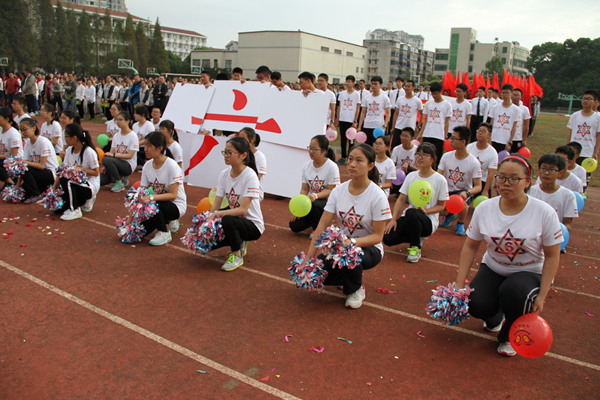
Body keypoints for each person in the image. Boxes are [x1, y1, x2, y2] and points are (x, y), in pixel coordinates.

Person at [454, 155, 562, 357]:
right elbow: (470, 246)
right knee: (476, 304)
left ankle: (509, 335)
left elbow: (552, 256)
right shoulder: (485, 208)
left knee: (515, 293)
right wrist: (460, 284)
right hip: (494, 267)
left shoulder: (544, 212)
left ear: (528, 181)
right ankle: (495, 318)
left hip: (529, 271)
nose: (506, 183)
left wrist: (543, 294)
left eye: (514, 178)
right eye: (501, 177)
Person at [299, 144, 391, 308]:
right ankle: (348, 275)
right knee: (316, 275)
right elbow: (322, 226)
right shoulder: (338, 191)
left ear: (370, 166)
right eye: (350, 159)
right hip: (342, 246)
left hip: (370, 249)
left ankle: (355, 289)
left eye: (358, 160)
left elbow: (378, 236)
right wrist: (309, 258)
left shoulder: (378, 195)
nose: (352, 164)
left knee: (349, 252)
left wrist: (353, 243)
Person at [384, 142, 449, 262]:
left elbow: (441, 206)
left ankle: (415, 247)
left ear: (433, 159)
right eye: (418, 154)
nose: (419, 157)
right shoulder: (411, 176)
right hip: (410, 217)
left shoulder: (440, 180)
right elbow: (401, 199)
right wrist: (393, 219)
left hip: (428, 220)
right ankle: (416, 235)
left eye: (424, 155)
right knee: (388, 238)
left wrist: (426, 210)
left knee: (412, 213)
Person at [207, 137, 264, 271]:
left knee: (227, 219)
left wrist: (216, 214)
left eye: (229, 152)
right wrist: (206, 223)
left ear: (243, 155)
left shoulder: (250, 176)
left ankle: (237, 256)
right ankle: (239, 240)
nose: (225, 156)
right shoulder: (224, 175)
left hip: (252, 225)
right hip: (236, 221)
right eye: (224, 152)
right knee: (207, 244)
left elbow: (243, 210)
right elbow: (217, 203)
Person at [129, 131, 187, 245]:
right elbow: (141, 192)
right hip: (156, 204)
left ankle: (164, 232)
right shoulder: (147, 166)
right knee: (137, 233)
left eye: (149, 146)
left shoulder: (172, 166)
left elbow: (173, 195)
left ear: (160, 148)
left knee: (152, 202)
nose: (145, 149)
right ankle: (164, 220)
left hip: (175, 205)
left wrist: (150, 197)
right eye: (145, 145)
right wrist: (131, 217)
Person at [289, 135, 340, 236]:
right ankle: (315, 220)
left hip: (326, 201)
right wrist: (298, 210)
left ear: (324, 151)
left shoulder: (332, 167)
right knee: (294, 226)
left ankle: (318, 230)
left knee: (314, 204)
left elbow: (332, 190)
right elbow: (304, 189)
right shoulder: (306, 166)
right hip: (311, 202)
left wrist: (316, 195)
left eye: (314, 149)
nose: (311, 151)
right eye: (310, 148)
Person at [438, 126, 482, 235]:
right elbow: (438, 175)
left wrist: (467, 193)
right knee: (438, 208)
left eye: (453, 138)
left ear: (463, 142)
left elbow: (478, 186)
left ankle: (460, 223)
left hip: (463, 192)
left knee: (461, 202)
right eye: (450, 138)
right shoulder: (446, 156)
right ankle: (450, 215)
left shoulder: (474, 162)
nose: (450, 141)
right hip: (447, 191)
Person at [52, 123, 100, 220]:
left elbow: (96, 172)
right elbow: (62, 171)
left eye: (66, 137)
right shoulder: (69, 150)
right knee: (57, 210)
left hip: (89, 186)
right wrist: (53, 189)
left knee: (68, 181)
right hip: (75, 185)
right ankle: (79, 201)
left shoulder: (88, 151)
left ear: (74, 138)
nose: (64, 139)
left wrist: (80, 169)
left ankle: (75, 210)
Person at [529, 154, 578, 236]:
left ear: (560, 173)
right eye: (543, 168)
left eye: (552, 170)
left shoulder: (568, 195)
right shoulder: (529, 192)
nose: (546, 173)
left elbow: (567, 224)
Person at [18, 118, 59, 204]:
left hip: (50, 174)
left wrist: (24, 163)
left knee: (25, 167)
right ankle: (39, 190)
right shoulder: (28, 143)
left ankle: (36, 194)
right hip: (38, 173)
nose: (23, 132)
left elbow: (41, 166)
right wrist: (17, 186)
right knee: (22, 195)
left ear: (33, 128)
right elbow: (23, 165)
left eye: (25, 129)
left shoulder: (42, 141)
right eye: (21, 130)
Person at [99, 111, 139, 192]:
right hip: (116, 163)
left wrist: (113, 156)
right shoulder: (116, 135)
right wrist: (105, 166)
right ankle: (121, 177)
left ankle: (119, 182)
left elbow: (130, 156)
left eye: (120, 120)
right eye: (116, 120)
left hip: (127, 165)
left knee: (106, 159)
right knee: (100, 180)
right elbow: (111, 151)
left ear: (127, 121)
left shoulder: (133, 136)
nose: (118, 122)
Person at [566, 89, 600, 184]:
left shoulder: (597, 117)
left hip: (588, 151)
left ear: (594, 101)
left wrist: (596, 152)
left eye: (589, 99)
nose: (585, 101)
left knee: (584, 175)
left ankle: (583, 191)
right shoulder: (575, 115)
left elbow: (598, 136)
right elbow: (570, 132)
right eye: (584, 98)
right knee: (571, 173)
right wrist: (567, 148)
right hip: (574, 150)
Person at [417, 82, 452, 164]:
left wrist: (445, 135)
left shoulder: (447, 105)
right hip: (427, 134)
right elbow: (425, 120)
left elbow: (447, 122)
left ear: (441, 92)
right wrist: (420, 134)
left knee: (436, 157)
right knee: (425, 155)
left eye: (436, 94)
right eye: (432, 94)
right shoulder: (429, 104)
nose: (434, 96)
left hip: (438, 135)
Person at [466, 122, 497, 198]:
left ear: (489, 135)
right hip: (468, 179)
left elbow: (490, 174)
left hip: (482, 181)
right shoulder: (469, 147)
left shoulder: (492, 153)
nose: (480, 133)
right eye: (479, 130)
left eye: (483, 131)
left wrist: (485, 191)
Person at [357, 76, 391, 146]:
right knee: (367, 146)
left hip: (378, 126)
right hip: (367, 125)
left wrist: (385, 125)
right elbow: (363, 112)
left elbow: (388, 113)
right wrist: (360, 126)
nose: (373, 86)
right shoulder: (367, 97)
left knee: (378, 146)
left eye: (376, 84)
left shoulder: (384, 98)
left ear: (381, 85)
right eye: (372, 84)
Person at [391, 80, 423, 150]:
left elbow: (422, 114)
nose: (407, 88)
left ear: (413, 88)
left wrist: (418, 125)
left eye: (409, 86)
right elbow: (396, 113)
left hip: (410, 127)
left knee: (408, 147)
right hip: (399, 126)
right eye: (406, 86)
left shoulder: (417, 101)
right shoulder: (400, 99)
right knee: (395, 147)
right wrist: (393, 126)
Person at [336, 75, 360, 164]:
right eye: (346, 81)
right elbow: (340, 107)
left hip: (351, 120)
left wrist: (355, 121)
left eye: (349, 81)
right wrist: (338, 119)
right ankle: (343, 156)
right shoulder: (342, 94)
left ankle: (351, 157)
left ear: (353, 83)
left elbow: (358, 108)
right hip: (343, 119)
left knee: (351, 140)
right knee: (343, 139)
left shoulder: (356, 94)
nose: (347, 83)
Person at [489, 84, 520, 154]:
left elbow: (514, 127)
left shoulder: (516, 109)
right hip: (494, 139)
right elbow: (491, 123)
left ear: (511, 94)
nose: (505, 95)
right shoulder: (495, 107)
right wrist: (489, 138)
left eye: (507, 93)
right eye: (503, 93)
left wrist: (510, 142)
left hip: (505, 140)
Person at [238, 127, 266, 201]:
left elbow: (258, 177)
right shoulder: (239, 154)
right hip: (239, 189)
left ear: (252, 139)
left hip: (254, 191)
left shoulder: (260, 156)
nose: (240, 141)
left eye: (243, 138)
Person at [0, 107, 24, 189]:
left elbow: (13, 155)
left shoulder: (13, 133)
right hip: (4, 159)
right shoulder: (1, 131)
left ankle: (10, 181)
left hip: (15, 162)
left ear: (6, 119)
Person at [390, 127, 418, 196]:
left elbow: (419, 169)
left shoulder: (416, 150)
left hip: (410, 176)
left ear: (412, 138)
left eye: (406, 136)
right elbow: (392, 165)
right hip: (398, 177)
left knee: (408, 169)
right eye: (402, 135)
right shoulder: (396, 149)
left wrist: (409, 165)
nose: (403, 138)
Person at [510, 88, 530, 153]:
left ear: (521, 97)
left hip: (517, 137)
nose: (515, 97)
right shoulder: (507, 108)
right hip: (507, 137)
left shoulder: (525, 109)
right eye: (513, 95)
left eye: (517, 95)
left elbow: (526, 126)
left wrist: (524, 139)